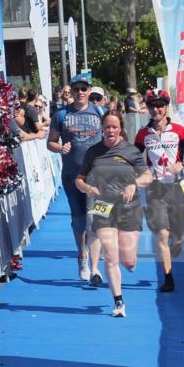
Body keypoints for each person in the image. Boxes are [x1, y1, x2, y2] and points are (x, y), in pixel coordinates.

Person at [76, 111, 153, 316]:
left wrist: (133, 184)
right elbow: (79, 179)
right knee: (110, 257)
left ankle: (129, 260)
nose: (110, 130)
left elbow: (147, 176)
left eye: (114, 127)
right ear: (102, 128)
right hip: (103, 207)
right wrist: (87, 188)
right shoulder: (93, 152)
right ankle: (119, 303)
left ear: (120, 128)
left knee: (128, 261)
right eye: (107, 127)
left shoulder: (131, 151)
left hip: (129, 208)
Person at [134, 89, 184, 292]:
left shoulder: (179, 130)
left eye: (160, 105)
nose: (156, 109)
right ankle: (168, 277)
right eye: (152, 105)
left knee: (177, 235)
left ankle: (178, 242)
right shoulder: (143, 134)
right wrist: (144, 173)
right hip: (155, 190)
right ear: (147, 108)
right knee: (162, 234)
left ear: (166, 107)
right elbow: (134, 159)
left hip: (176, 187)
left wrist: (183, 163)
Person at [48, 73, 105, 284]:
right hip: (72, 174)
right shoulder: (61, 114)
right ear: (71, 92)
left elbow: (113, 138)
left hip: (96, 176)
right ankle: (82, 257)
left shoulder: (99, 112)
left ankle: (96, 269)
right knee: (79, 220)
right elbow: (50, 142)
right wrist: (60, 147)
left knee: (95, 219)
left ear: (89, 91)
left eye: (84, 89)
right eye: (76, 89)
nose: (80, 93)